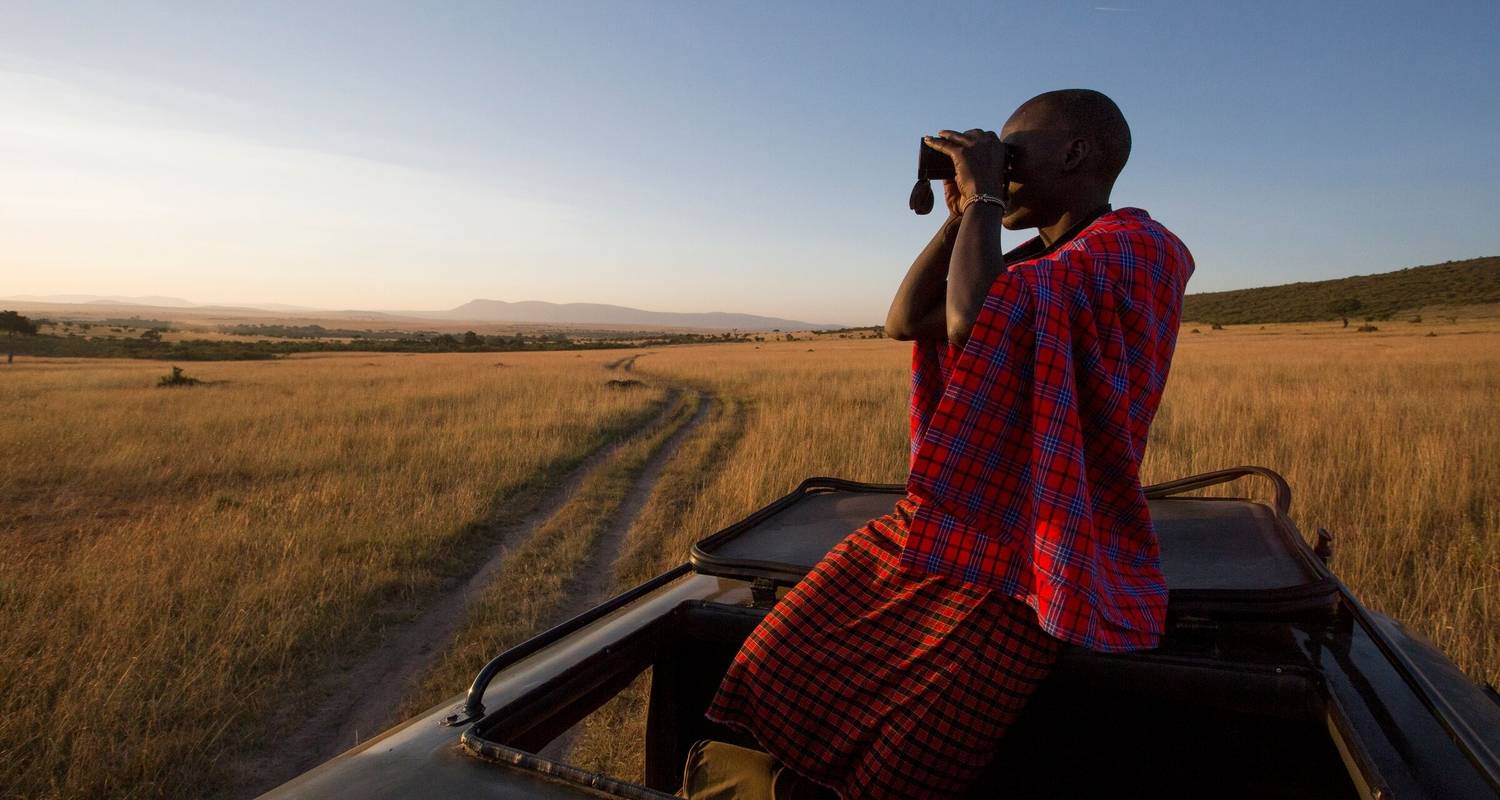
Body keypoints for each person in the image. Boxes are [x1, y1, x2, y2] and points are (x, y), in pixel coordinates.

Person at [685, 89, 1195, 799]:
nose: (1000, 171)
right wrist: (961, 214)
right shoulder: (1025, 264)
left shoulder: (1140, 248)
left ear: (1076, 153)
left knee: (910, 763)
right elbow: (908, 319)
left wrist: (986, 197)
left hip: (1036, 557)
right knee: (775, 662)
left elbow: (973, 323)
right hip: (952, 523)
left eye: (1012, 154)